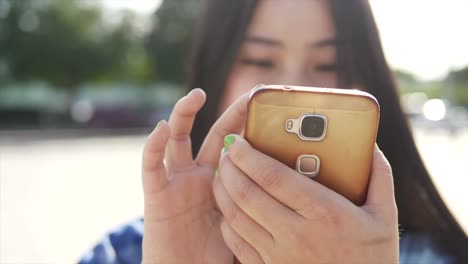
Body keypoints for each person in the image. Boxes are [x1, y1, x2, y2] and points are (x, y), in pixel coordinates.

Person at [79, 0, 467, 263]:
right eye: (260, 59)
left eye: (329, 64)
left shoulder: (430, 255)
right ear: (214, 67)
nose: (293, 85)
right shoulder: (126, 251)